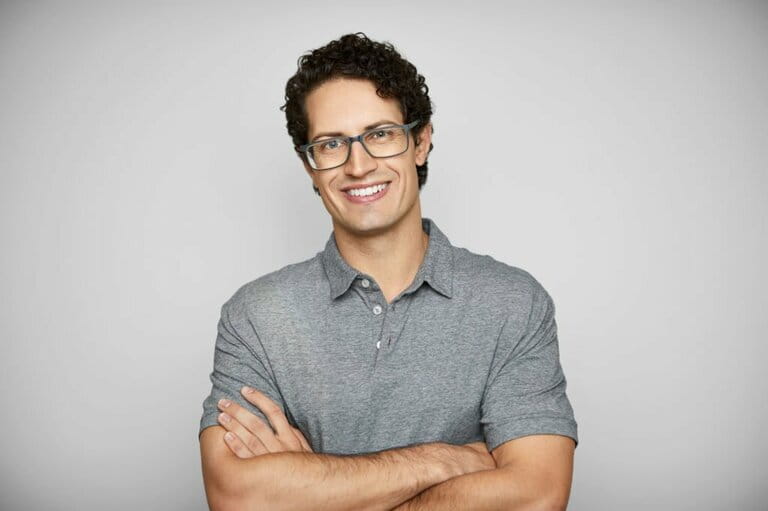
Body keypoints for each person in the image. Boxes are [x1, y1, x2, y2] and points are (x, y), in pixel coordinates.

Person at [198, 32, 578, 510]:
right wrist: (442, 460)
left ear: (420, 141)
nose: (358, 165)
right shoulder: (256, 315)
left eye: (380, 134)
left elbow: (536, 495)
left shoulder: (513, 302)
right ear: (309, 165)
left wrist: (312, 490)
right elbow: (237, 497)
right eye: (331, 143)